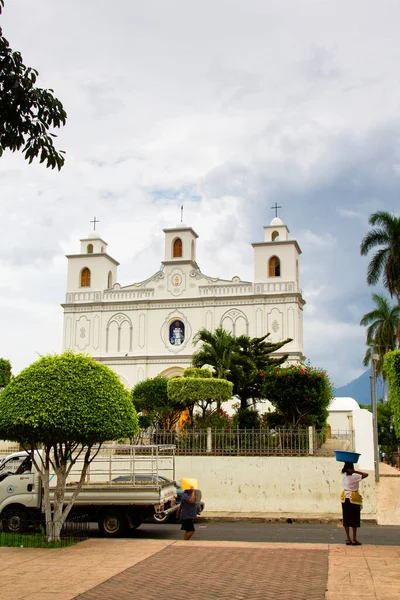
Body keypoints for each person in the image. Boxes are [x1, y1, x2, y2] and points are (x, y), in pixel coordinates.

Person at [341, 462, 368, 546]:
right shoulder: (355, 477)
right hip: (354, 498)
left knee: (346, 518)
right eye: (351, 468)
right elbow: (366, 474)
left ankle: (348, 538)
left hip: (345, 498)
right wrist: (356, 471)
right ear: (349, 469)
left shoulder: (344, 477)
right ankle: (354, 539)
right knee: (354, 519)